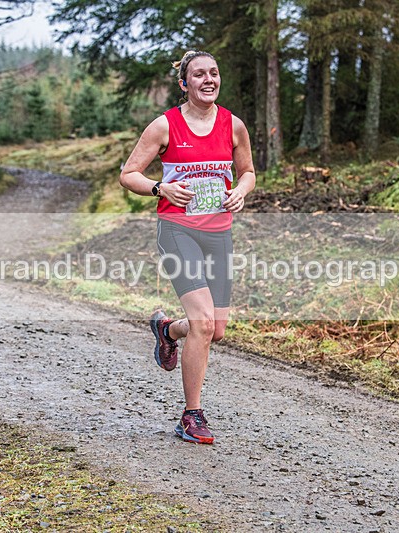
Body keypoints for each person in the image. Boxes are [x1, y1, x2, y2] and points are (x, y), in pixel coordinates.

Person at [119, 50, 256, 444]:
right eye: (199, 74)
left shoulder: (234, 126)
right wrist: (161, 188)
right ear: (184, 83)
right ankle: (191, 415)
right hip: (177, 230)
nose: (208, 79)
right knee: (204, 322)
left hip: (218, 233)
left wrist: (241, 192)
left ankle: (167, 330)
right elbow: (128, 175)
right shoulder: (164, 126)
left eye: (214, 73)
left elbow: (247, 172)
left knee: (216, 331)